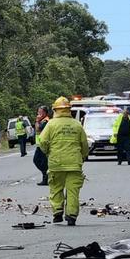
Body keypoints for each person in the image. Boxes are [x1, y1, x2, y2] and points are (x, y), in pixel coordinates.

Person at [39, 97, 89, 226]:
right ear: (69, 110)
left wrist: (48, 152)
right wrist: (83, 156)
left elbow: (42, 142)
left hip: (56, 163)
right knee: (73, 191)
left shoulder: (51, 124)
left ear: (55, 110)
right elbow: (84, 144)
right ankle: (71, 216)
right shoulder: (77, 124)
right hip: (74, 163)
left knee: (56, 188)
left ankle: (57, 212)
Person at [33, 106, 50, 185]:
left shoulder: (45, 121)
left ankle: (46, 177)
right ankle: (46, 176)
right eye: (38, 112)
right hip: (40, 145)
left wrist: (37, 121)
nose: (38, 114)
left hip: (44, 145)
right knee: (38, 161)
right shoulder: (41, 120)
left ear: (45, 113)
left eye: (41, 112)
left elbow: (38, 129)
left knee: (41, 161)